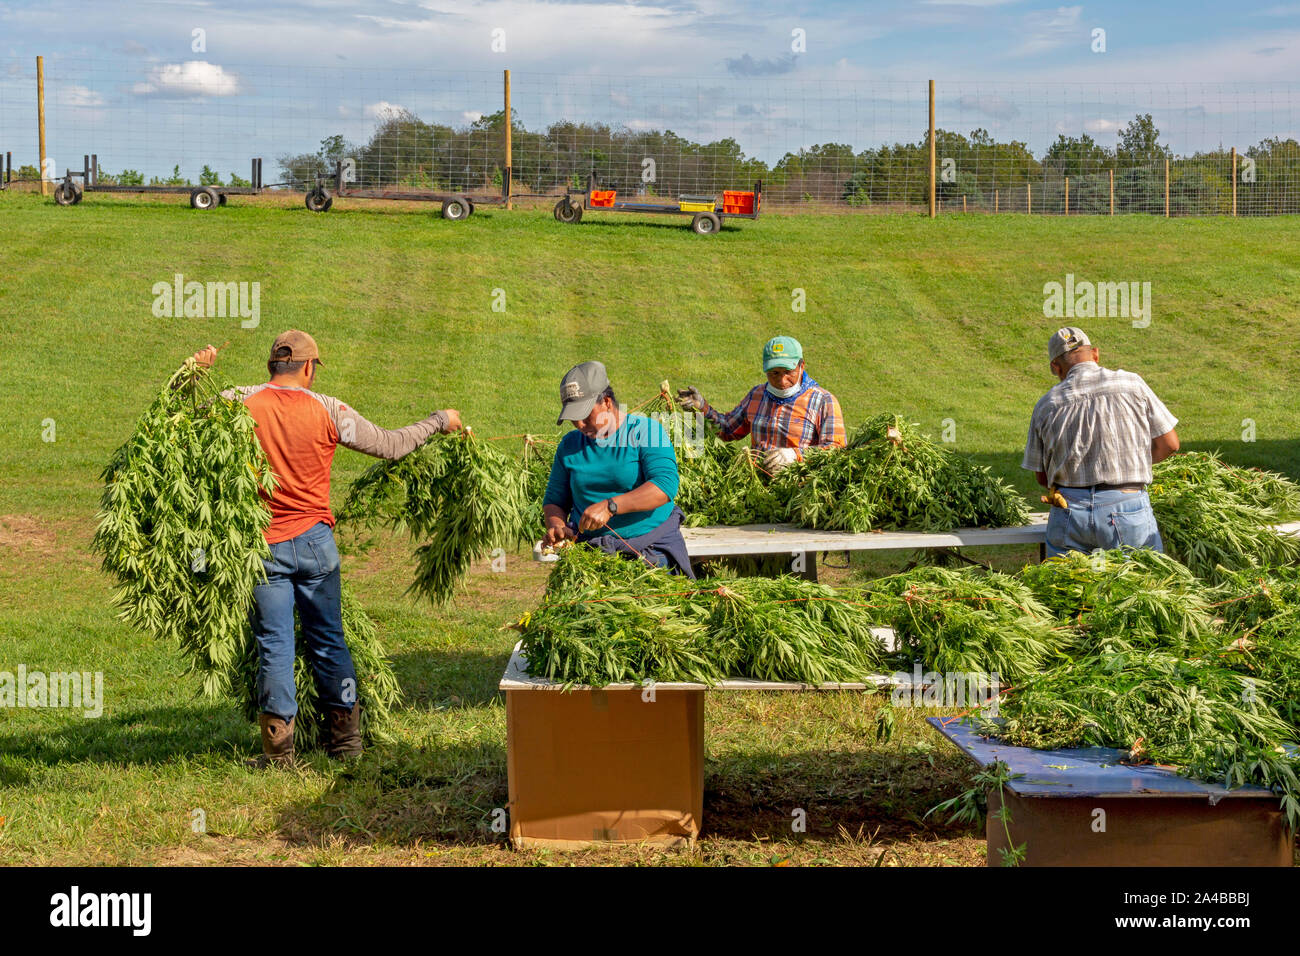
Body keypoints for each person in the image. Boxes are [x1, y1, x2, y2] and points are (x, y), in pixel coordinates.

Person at [191, 331, 462, 766]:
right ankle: (346, 742)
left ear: (270, 366)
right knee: (329, 640)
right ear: (309, 367)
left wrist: (192, 375)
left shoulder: (236, 401)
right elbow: (392, 446)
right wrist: (438, 420)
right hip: (316, 545)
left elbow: (176, 422)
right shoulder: (329, 409)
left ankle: (278, 753)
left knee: (274, 644)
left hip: (264, 545)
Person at [1022, 327, 1180, 557]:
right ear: (1095, 354)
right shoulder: (1132, 384)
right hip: (1127, 507)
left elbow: (1042, 476)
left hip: (1069, 511)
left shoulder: (1046, 405)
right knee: (1142, 586)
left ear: (1055, 367)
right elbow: (1170, 444)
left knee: (1063, 590)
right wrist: (1131, 462)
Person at [541, 361, 694, 577]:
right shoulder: (569, 445)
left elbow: (664, 486)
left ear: (606, 402)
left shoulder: (646, 432)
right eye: (573, 419)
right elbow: (554, 501)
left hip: (650, 547)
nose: (579, 425)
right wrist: (557, 525)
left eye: (585, 416)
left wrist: (610, 506)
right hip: (591, 551)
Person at [675, 335, 846, 473]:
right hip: (756, 484)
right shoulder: (757, 395)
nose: (781, 380)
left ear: (802, 366)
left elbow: (836, 449)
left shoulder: (823, 401)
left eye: (788, 372)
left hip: (799, 492)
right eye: (774, 373)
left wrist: (795, 455)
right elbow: (728, 430)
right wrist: (702, 407)